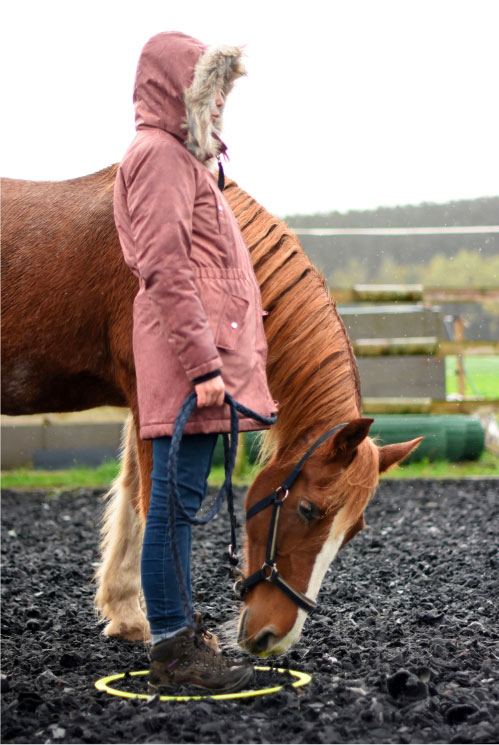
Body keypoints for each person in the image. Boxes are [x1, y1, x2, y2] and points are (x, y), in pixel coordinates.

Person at [113, 31, 276, 694]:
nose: (218, 111)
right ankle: (173, 647)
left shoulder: (185, 161)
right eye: (210, 97)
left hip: (201, 367)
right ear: (182, 94)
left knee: (181, 504)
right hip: (190, 370)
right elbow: (166, 267)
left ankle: (179, 632)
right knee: (175, 508)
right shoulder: (157, 157)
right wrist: (205, 366)